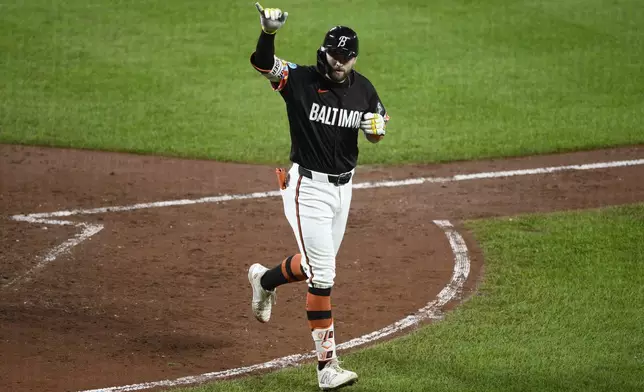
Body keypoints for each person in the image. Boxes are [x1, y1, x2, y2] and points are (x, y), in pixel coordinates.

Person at [247, 3, 389, 390]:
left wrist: (376, 129)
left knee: (315, 267)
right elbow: (263, 65)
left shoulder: (364, 88)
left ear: (354, 58)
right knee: (323, 275)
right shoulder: (300, 80)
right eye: (333, 55)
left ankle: (264, 281)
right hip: (306, 188)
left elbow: (376, 129)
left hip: (344, 191)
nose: (338, 62)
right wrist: (268, 32)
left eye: (345, 57)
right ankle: (326, 367)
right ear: (322, 52)